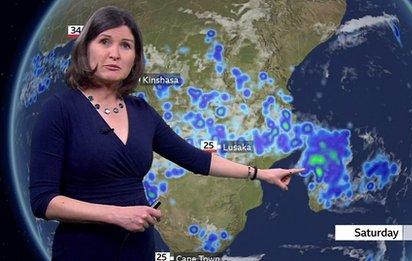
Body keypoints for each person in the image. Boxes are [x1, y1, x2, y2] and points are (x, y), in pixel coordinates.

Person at [29, 6, 305, 261]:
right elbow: (44, 202)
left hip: (137, 248)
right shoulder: (60, 110)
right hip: (83, 251)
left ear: (134, 58)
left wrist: (262, 174)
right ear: (85, 48)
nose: (114, 53)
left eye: (126, 45)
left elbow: (197, 160)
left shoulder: (141, 111)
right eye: (104, 41)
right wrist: (116, 215)